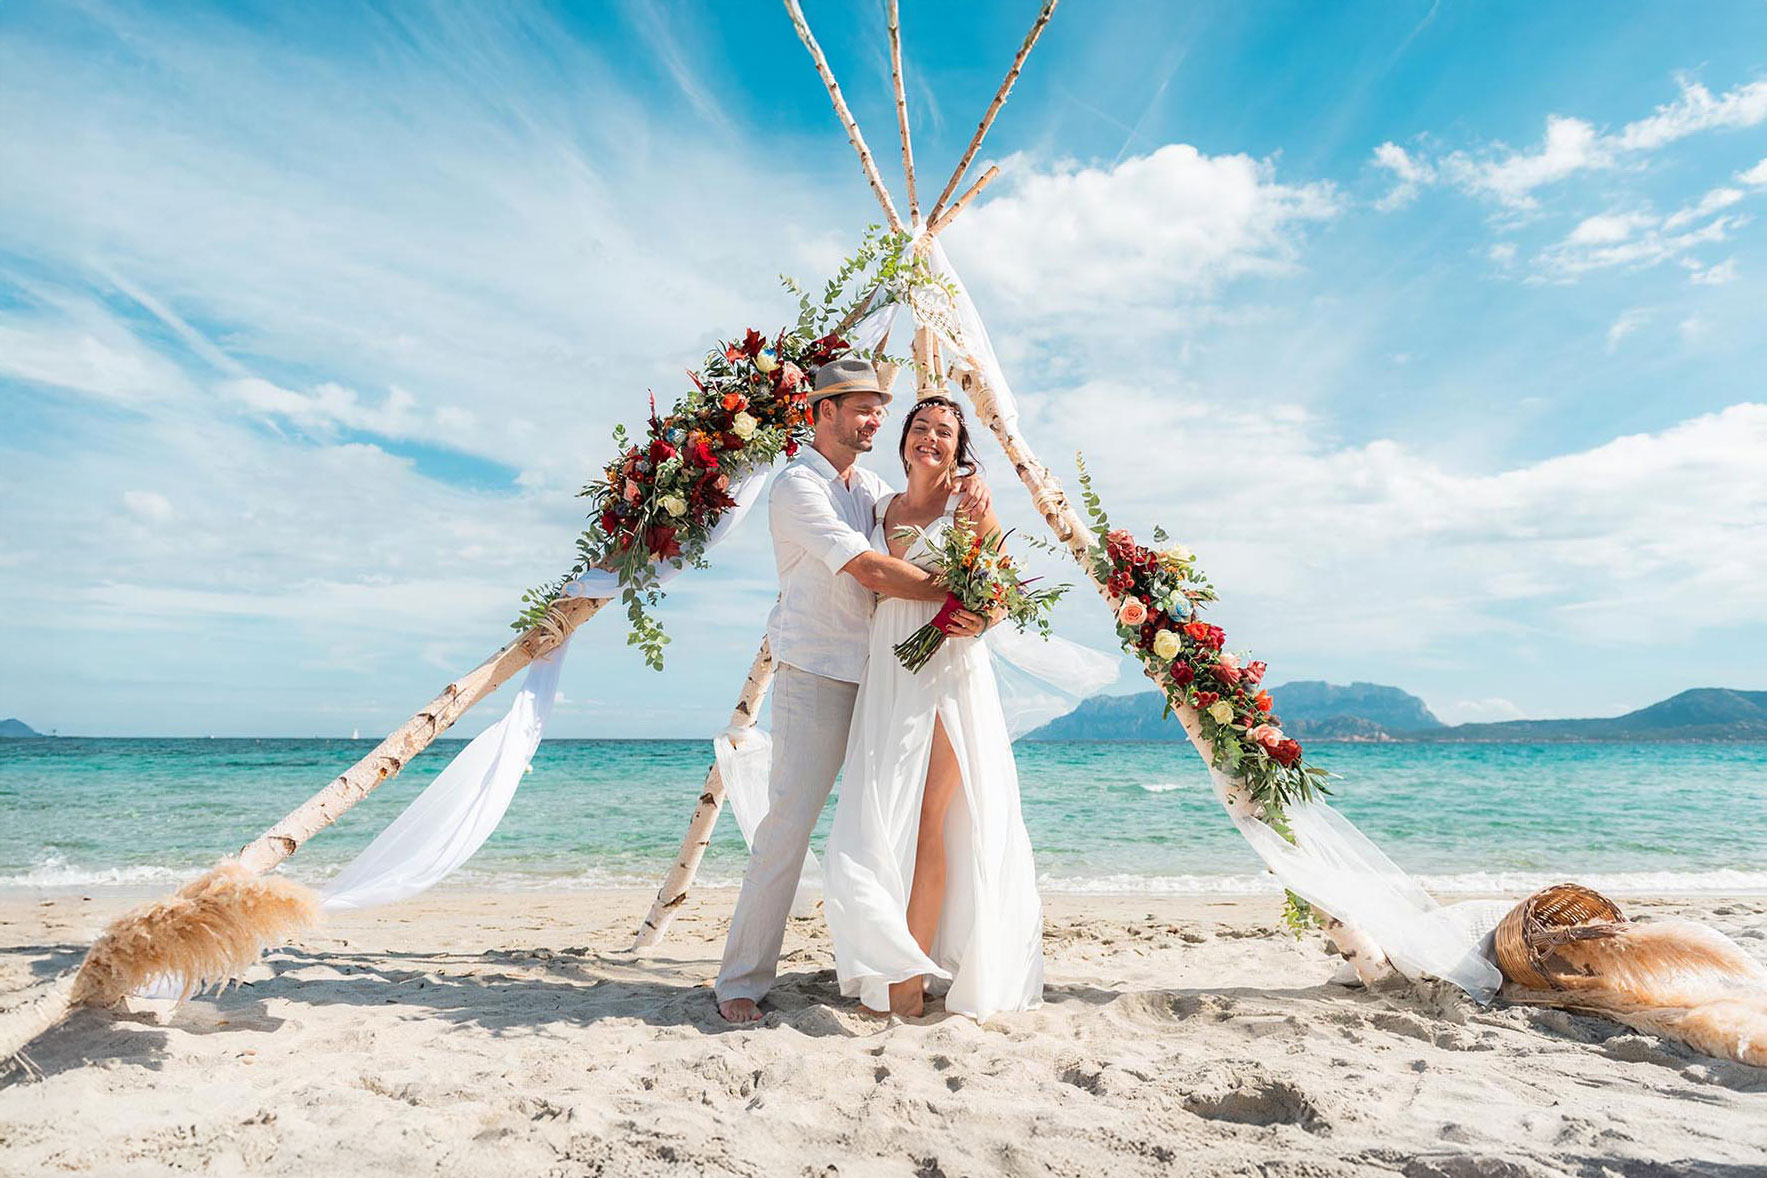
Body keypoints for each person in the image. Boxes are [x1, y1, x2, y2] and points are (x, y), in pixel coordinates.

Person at [714, 357, 991, 1024]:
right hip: (816, 676)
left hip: (889, 681)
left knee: (892, 827)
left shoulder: (868, 487)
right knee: (788, 828)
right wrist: (965, 594)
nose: (873, 418)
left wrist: (972, 501)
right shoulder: (796, 488)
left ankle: (900, 964)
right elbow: (871, 568)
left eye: (877, 408)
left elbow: (927, 512)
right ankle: (740, 983)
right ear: (822, 413)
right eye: (861, 408)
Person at [820, 393, 1044, 1020]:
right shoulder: (880, 506)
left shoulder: (969, 506)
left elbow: (1000, 595)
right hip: (890, 669)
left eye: (945, 432)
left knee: (927, 821)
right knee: (875, 818)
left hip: (947, 668)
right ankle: (888, 959)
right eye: (921, 428)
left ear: (958, 447)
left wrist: (981, 615)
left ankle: (909, 981)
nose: (931, 439)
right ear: (904, 441)